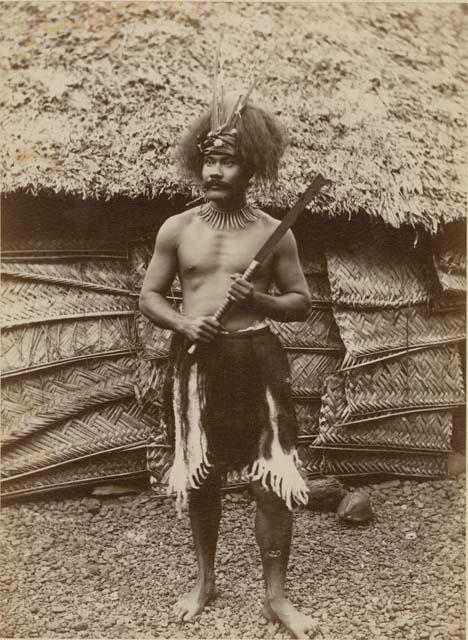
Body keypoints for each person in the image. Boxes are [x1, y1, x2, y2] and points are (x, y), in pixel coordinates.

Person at [139, 93, 316, 639]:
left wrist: (258, 300)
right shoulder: (177, 228)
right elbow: (150, 295)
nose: (215, 170)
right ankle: (206, 579)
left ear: (252, 167)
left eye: (229, 160)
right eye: (209, 159)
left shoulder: (274, 232)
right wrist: (184, 323)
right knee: (201, 473)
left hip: (256, 361)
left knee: (272, 478)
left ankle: (276, 596)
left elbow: (301, 304)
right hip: (197, 363)